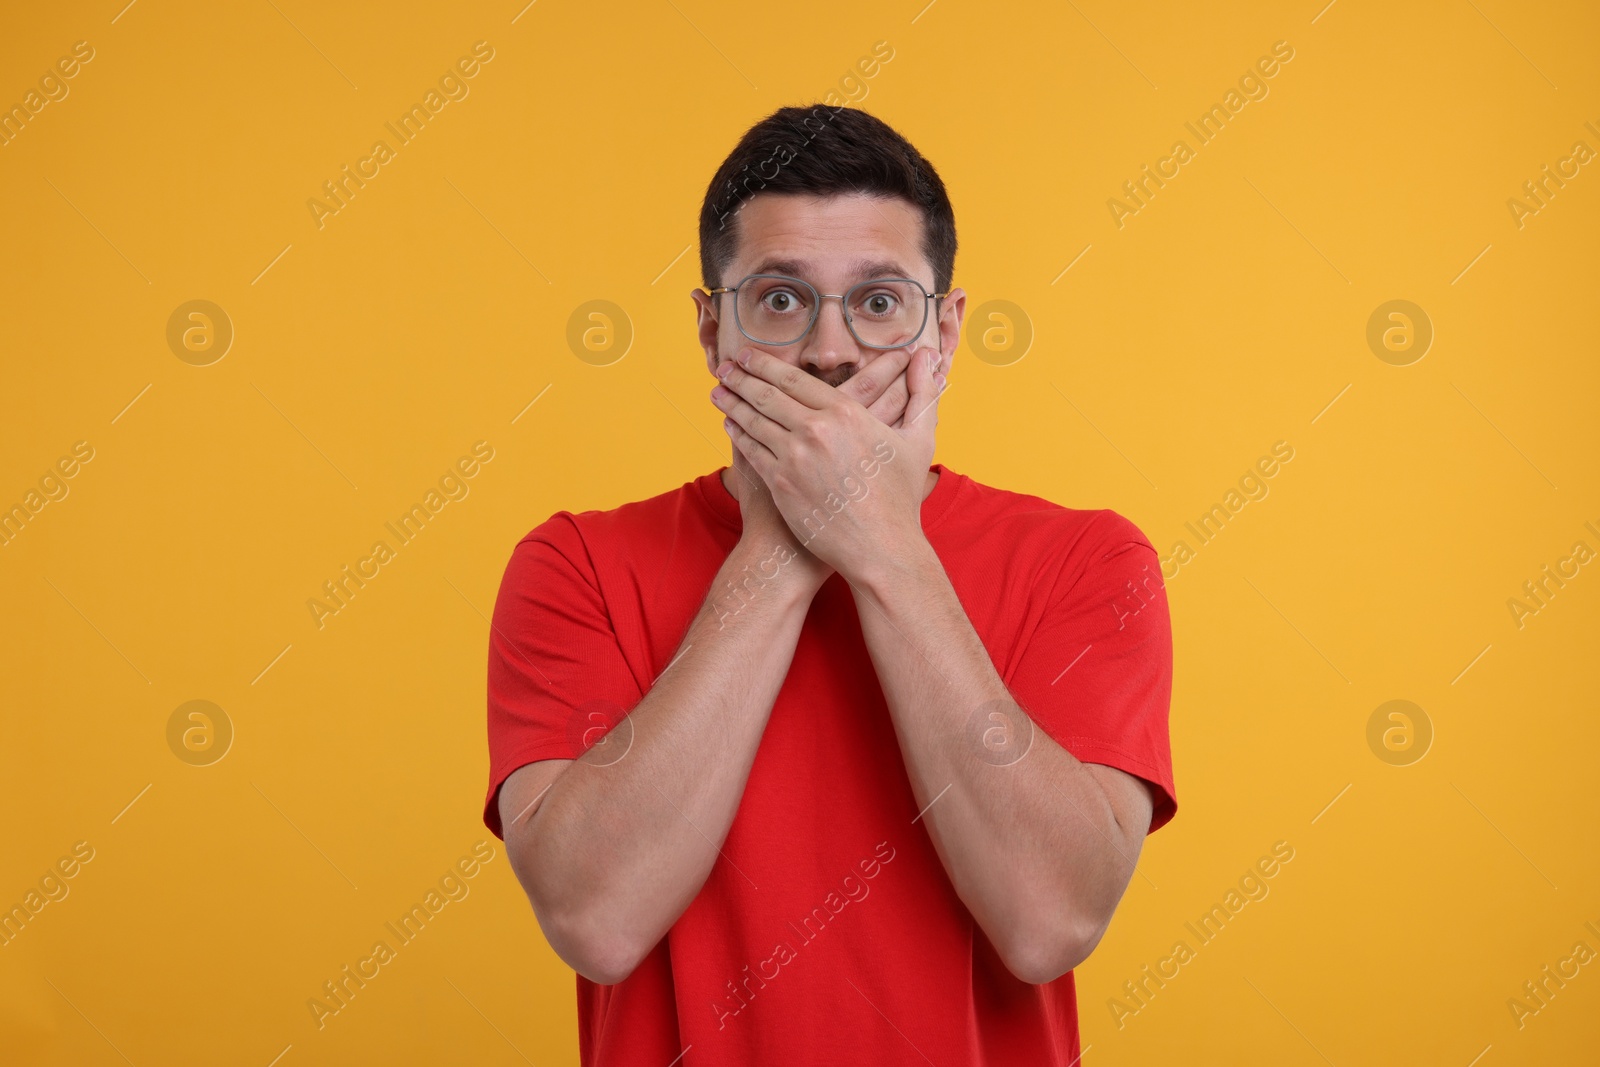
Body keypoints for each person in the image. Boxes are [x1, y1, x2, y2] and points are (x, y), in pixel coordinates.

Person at [482, 104, 1176, 1066]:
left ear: (949, 331)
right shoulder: (574, 567)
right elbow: (597, 917)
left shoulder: (1090, 563)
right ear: (709, 328)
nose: (829, 351)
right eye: (779, 299)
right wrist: (786, 544)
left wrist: (883, 545)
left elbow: (1049, 921)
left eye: (882, 301)